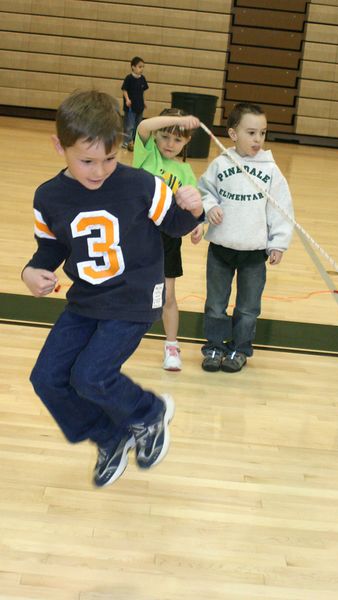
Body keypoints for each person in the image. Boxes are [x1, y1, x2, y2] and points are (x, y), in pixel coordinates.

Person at [21, 90, 203, 488]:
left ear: (120, 146)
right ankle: (110, 436)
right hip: (86, 300)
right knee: (46, 378)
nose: (99, 170)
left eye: (109, 158)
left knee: (90, 376)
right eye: (87, 160)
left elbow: (175, 225)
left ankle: (149, 412)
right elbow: (49, 249)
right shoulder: (48, 197)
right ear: (59, 146)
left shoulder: (142, 185)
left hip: (134, 297)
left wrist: (192, 208)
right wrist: (31, 272)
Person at [198, 102, 294, 373]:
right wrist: (210, 206)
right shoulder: (220, 165)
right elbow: (203, 191)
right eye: (251, 133)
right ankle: (214, 346)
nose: (258, 139)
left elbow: (281, 209)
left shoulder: (271, 171)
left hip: (254, 252)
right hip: (220, 248)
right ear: (233, 134)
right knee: (216, 304)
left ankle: (240, 349)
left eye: (262, 133)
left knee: (248, 308)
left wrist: (278, 243)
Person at [133, 108, 203, 371]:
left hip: (168, 238)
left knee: (168, 295)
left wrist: (198, 224)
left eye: (177, 139)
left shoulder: (185, 171)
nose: (169, 144)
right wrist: (177, 121)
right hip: (137, 234)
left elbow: (193, 207)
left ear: (186, 142)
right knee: (124, 289)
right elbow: (144, 125)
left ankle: (171, 346)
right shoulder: (146, 153)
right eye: (165, 137)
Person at [121, 56, 148, 151]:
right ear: (133, 67)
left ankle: (135, 142)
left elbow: (142, 92)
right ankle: (126, 142)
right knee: (130, 126)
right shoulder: (129, 78)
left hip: (139, 106)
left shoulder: (142, 79)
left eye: (143, 67)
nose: (142, 69)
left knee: (138, 125)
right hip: (130, 107)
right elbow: (124, 90)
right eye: (140, 67)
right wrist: (127, 99)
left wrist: (144, 102)